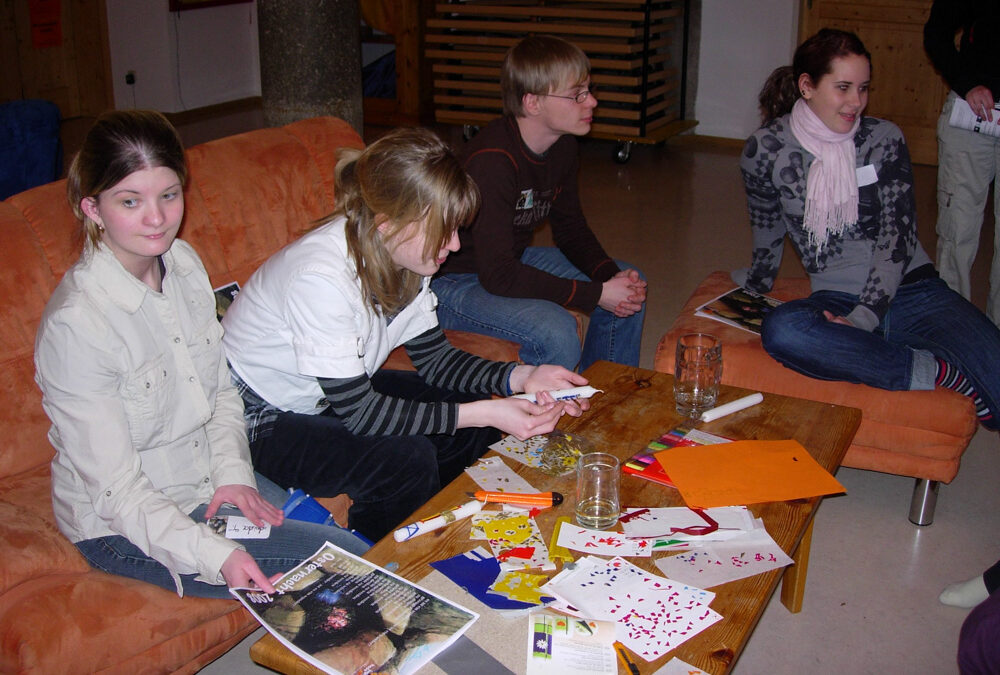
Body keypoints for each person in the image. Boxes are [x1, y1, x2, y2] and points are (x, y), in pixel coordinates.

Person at [33, 110, 369, 600]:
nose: (157, 219)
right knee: (346, 564)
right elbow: (116, 490)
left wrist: (233, 475)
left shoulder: (183, 264)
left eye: (169, 195)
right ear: (93, 208)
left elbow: (220, 392)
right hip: (124, 525)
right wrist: (215, 555)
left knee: (348, 546)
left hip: (206, 479)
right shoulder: (77, 325)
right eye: (130, 201)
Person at [221, 127, 588, 543]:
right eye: (444, 230)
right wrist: (488, 411)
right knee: (403, 461)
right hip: (254, 415)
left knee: (466, 415)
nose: (454, 244)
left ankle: (452, 530)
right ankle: (378, 562)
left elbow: (437, 361)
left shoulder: (406, 257)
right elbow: (360, 413)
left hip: (324, 393)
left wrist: (523, 377)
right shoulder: (320, 277)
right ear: (388, 223)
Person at [737, 28, 1000, 432]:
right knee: (784, 330)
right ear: (807, 86)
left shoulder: (883, 137)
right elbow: (767, 225)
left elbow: (897, 236)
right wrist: (755, 285)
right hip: (837, 296)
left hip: (915, 291)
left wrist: (864, 320)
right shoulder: (765, 149)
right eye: (843, 88)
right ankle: (935, 370)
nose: (856, 102)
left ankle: (875, 350)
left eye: (863, 88)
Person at [432, 34, 647, 372]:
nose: (591, 102)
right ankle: (550, 404)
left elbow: (571, 230)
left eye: (589, 90)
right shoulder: (492, 163)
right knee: (556, 331)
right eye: (577, 94)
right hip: (452, 282)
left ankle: (601, 395)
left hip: (505, 261)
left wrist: (611, 278)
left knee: (630, 286)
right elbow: (498, 276)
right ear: (532, 103)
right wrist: (596, 294)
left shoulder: (562, 145)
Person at [924, 1, 1000, 327]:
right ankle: (952, 330)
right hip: (971, 113)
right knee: (958, 227)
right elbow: (937, 33)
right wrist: (966, 82)